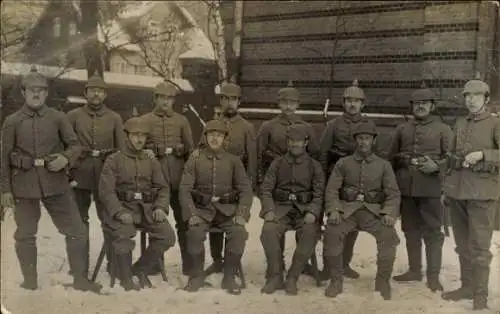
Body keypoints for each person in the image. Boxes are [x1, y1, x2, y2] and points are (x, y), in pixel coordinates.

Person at [0, 66, 101, 293]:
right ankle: (30, 280)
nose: (36, 94)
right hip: (23, 185)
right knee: (25, 234)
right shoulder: (12, 121)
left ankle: (80, 279)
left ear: (46, 94)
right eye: (31, 90)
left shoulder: (58, 118)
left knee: (76, 230)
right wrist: (5, 190)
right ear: (23, 93)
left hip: (56, 183)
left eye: (41, 90)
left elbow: (75, 146)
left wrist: (65, 159)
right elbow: (3, 158)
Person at [440, 75, 500, 310]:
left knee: (480, 247)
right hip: (458, 193)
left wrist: (485, 154)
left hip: (482, 194)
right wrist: (446, 189)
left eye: (476, 96)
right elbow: (452, 158)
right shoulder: (460, 123)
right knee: (462, 244)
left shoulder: (495, 124)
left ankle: (480, 295)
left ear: (486, 99)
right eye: (468, 96)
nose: (471, 100)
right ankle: (467, 286)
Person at [323, 121, 400, 300]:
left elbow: (393, 193)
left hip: (373, 212)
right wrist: (334, 210)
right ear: (355, 140)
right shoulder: (343, 163)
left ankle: (382, 281)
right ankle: (336, 280)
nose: (363, 142)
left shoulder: (383, 165)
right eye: (359, 138)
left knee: (388, 235)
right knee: (332, 232)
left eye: (367, 138)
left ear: (373, 141)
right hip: (347, 211)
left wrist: (389, 213)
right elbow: (332, 189)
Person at [99, 117, 176, 290]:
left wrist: (160, 207)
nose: (139, 139)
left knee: (167, 236)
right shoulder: (114, 160)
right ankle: (126, 278)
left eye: (143, 135)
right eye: (135, 135)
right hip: (122, 209)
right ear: (127, 136)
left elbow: (162, 188)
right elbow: (106, 192)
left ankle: (140, 268)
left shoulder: (151, 160)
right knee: (124, 233)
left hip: (146, 210)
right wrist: (119, 212)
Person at [388, 84, 453, 292]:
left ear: (432, 106)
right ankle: (414, 270)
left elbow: (451, 159)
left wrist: (437, 166)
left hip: (431, 189)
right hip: (406, 188)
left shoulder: (443, 129)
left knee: (433, 233)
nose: (420, 107)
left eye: (424, 103)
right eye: (417, 103)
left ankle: (433, 276)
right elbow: (390, 159)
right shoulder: (402, 129)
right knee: (410, 230)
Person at [179, 120, 253, 295]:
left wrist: (241, 213)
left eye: (219, 135)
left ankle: (229, 276)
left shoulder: (233, 160)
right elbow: (185, 189)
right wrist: (191, 214)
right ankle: (197, 275)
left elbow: (245, 190)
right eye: (211, 134)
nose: (215, 138)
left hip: (227, 211)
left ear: (224, 139)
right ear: (205, 137)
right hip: (202, 211)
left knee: (239, 233)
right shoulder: (195, 159)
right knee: (194, 232)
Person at [257, 80, 320, 281]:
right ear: (279, 104)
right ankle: (276, 265)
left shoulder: (307, 127)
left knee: (306, 227)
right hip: (275, 182)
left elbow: (315, 156)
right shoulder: (268, 126)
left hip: (302, 184)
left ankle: (300, 264)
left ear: (298, 104)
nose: (288, 106)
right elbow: (257, 154)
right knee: (275, 225)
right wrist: (259, 183)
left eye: (292, 102)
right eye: (284, 102)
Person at [195, 79, 257, 276]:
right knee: (213, 216)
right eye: (225, 98)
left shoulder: (247, 127)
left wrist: (246, 188)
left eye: (233, 99)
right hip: (212, 186)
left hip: (235, 188)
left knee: (233, 225)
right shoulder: (213, 124)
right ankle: (216, 260)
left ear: (239, 102)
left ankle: (231, 263)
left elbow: (252, 162)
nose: (229, 103)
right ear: (220, 101)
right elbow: (199, 151)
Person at [67, 73, 125, 276]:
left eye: (100, 91)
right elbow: (65, 146)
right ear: (85, 93)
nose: (96, 94)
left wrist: (118, 178)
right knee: (78, 222)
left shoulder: (115, 118)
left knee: (109, 220)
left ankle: (114, 264)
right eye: (92, 90)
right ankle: (78, 267)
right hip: (79, 175)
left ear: (105, 95)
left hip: (105, 176)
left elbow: (121, 151)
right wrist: (68, 173)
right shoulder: (73, 116)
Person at [259, 124, 324, 295]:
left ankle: (293, 276)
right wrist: (269, 210)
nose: (295, 144)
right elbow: (265, 189)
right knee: (268, 230)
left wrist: (313, 212)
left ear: (306, 142)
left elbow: (319, 194)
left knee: (310, 232)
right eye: (292, 141)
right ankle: (275, 275)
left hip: (304, 211)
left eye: (299, 141)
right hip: (281, 210)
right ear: (287, 142)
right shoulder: (277, 163)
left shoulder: (314, 166)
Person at [318, 78, 370, 280]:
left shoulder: (367, 125)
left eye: (356, 101)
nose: (352, 104)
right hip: (335, 179)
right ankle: (327, 267)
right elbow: (322, 154)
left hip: (357, 180)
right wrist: (323, 181)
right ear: (343, 103)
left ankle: (345, 263)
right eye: (348, 100)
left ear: (362, 104)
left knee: (352, 223)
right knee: (332, 223)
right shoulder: (333, 125)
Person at [141, 81, 194, 275]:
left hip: (179, 181)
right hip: (155, 183)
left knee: (184, 222)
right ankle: (156, 264)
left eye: (169, 98)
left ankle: (189, 265)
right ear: (155, 98)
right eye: (162, 97)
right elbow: (139, 149)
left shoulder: (182, 121)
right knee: (156, 223)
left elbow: (191, 151)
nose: (166, 101)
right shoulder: (145, 120)